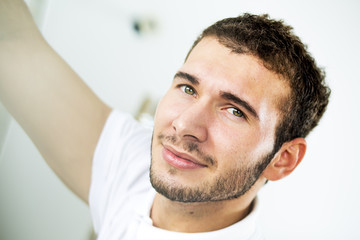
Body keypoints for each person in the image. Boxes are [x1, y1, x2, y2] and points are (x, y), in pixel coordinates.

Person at [0, 0, 330, 239]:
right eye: (188, 88)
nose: (185, 125)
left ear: (283, 160)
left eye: (234, 111)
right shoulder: (132, 165)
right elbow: (10, 41)